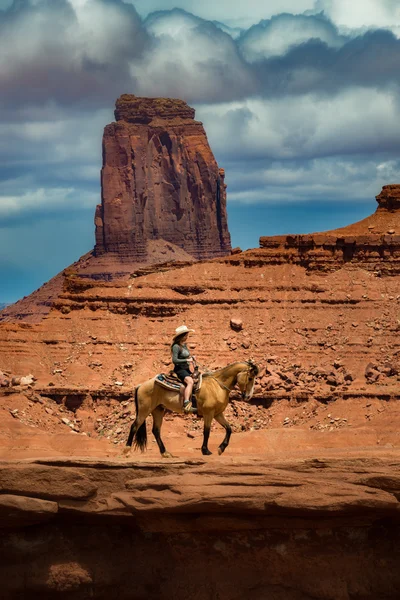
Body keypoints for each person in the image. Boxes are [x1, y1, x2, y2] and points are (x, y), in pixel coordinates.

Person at [171, 325, 197, 414]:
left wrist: (191, 357)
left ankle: (195, 402)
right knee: (190, 381)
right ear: (181, 336)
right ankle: (186, 403)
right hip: (180, 369)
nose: (187, 337)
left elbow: (186, 355)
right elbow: (174, 360)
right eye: (186, 335)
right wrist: (187, 360)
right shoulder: (176, 346)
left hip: (186, 369)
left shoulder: (184, 345)